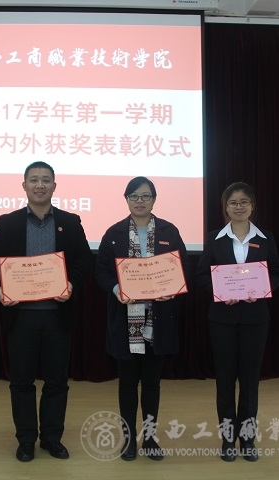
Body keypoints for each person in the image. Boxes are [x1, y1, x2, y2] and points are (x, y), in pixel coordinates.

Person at [0, 161, 93, 462]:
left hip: (57, 314)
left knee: (57, 381)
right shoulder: (7, 222)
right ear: (24, 186)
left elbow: (85, 260)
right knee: (21, 382)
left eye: (46, 180)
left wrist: (71, 283)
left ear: (54, 186)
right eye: (33, 180)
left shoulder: (70, 222)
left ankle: (51, 438)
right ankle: (25, 440)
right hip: (21, 315)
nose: (40, 185)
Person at [94, 176, 189, 461]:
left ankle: (149, 438)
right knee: (126, 383)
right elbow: (102, 271)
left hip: (157, 320)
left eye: (145, 196)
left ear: (154, 200)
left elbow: (181, 267)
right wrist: (116, 289)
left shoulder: (169, 231)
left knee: (151, 383)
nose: (140, 201)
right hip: (126, 319)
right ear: (126, 199)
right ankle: (128, 440)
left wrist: (172, 288)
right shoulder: (114, 233)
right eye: (134, 196)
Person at [196, 182, 279, 462]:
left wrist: (260, 289)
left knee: (249, 381)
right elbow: (201, 276)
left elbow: (277, 272)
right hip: (221, 319)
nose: (239, 207)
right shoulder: (214, 238)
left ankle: (247, 438)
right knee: (224, 381)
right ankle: (227, 438)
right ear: (225, 207)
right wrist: (221, 292)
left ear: (252, 206)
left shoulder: (266, 238)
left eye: (244, 202)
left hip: (255, 319)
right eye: (233, 202)